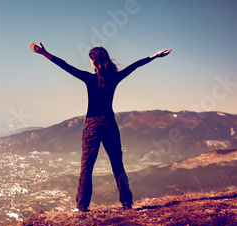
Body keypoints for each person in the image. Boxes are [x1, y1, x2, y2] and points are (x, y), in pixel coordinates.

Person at [30, 42, 171, 212]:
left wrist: (44, 53)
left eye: (91, 60)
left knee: (86, 168)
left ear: (95, 62)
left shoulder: (89, 79)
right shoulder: (115, 78)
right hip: (110, 124)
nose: (90, 63)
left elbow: (65, 66)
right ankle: (127, 204)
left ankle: (82, 207)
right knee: (117, 164)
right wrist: (155, 56)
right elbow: (135, 65)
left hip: (92, 125)